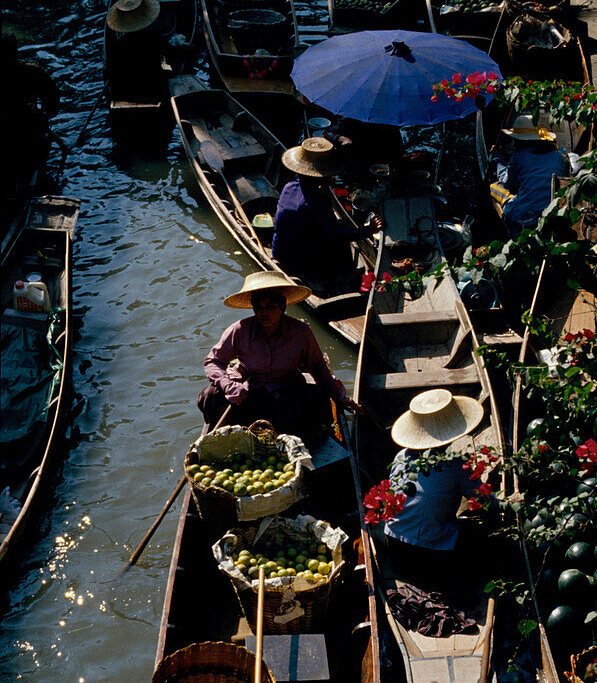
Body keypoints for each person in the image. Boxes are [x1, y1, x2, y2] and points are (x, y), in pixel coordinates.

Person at [197, 271, 359, 439]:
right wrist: (229, 386)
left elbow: (317, 366)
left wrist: (340, 396)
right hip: (248, 390)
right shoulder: (240, 330)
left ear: (282, 307)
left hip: (285, 390)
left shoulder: (300, 332)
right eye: (259, 307)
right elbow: (213, 361)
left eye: (270, 307)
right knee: (211, 396)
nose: (263, 313)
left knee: (316, 403)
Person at [383, 389, 491, 594]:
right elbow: (485, 501)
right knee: (481, 532)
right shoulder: (456, 465)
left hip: (394, 544)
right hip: (429, 554)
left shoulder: (400, 456)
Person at [271, 138, 382, 292]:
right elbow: (334, 234)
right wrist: (367, 230)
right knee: (341, 238)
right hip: (300, 259)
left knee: (332, 229)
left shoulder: (289, 187)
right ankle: (339, 280)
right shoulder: (318, 200)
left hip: (280, 252)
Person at [0, 32, 59, 196]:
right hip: (26, 134)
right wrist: (47, 113)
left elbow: (51, 97)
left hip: (25, 134)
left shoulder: (32, 73)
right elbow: (52, 99)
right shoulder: (32, 72)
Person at [488, 114, 569, 232]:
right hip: (553, 212)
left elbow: (508, 184)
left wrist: (497, 160)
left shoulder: (519, 156)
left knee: (493, 187)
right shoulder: (560, 154)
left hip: (524, 216)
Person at [105, 0, 163, 102]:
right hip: (151, 90)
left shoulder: (115, 46)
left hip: (124, 93)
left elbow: (110, 73)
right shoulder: (152, 41)